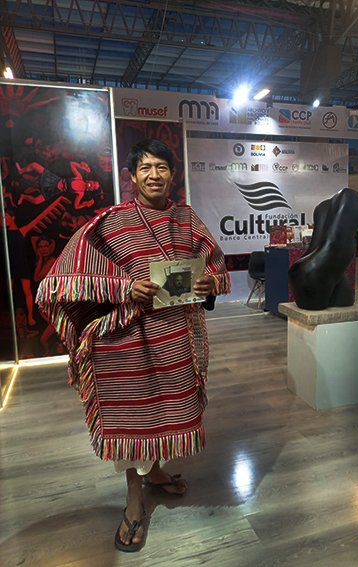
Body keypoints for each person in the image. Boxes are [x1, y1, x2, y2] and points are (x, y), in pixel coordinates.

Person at [36, 139, 230, 553]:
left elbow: (214, 264)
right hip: (126, 340)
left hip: (176, 337)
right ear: (132, 176)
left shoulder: (187, 219)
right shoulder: (111, 223)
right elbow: (70, 274)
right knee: (133, 418)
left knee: (166, 409)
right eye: (146, 168)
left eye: (162, 167)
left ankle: (155, 471)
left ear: (172, 174)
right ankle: (134, 500)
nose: (154, 175)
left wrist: (209, 283)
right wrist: (126, 287)